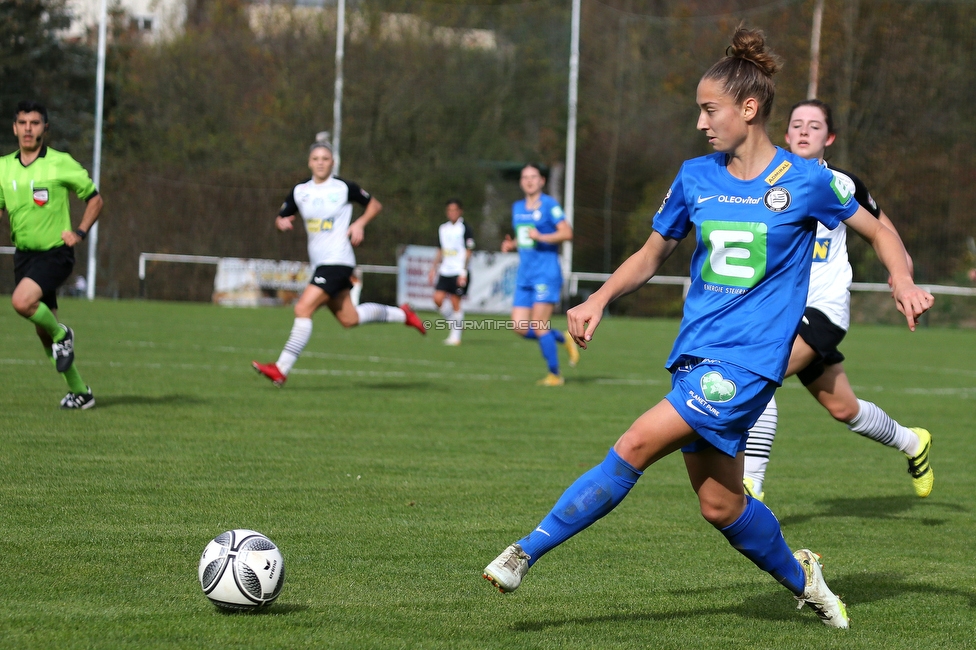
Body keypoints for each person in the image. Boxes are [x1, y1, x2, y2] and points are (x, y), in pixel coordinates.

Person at [482, 27, 934, 629]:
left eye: (709, 108)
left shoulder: (805, 181)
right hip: (696, 352)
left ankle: (523, 553)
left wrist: (901, 279)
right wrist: (599, 298)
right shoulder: (695, 176)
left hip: (748, 363)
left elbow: (880, 230)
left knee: (635, 444)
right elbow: (650, 254)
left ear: (748, 109)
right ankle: (807, 581)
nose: (700, 121)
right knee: (721, 505)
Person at [742, 100, 932, 502]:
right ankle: (913, 442)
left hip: (822, 310)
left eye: (815, 126)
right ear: (786, 134)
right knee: (845, 409)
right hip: (777, 312)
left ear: (828, 137)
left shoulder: (843, 184)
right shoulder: (763, 182)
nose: (805, 131)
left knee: (757, 372)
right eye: (797, 125)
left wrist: (904, 281)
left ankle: (750, 488)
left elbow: (885, 234)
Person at [252, 139, 426, 387]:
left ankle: (281, 369)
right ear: (309, 162)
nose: (320, 163)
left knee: (302, 309)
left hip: (338, 261)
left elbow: (375, 205)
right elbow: (282, 217)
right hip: (321, 264)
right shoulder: (300, 191)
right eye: (316, 159)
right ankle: (404, 314)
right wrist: (281, 223)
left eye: (325, 159)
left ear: (332, 162)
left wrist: (359, 223)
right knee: (349, 319)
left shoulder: (344, 187)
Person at [0, 101, 103, 409]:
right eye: (23, 122)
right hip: (25, 256)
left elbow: (95, 199)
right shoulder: (3, 167)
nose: (28, 128)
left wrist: (80, 232)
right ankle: (81, 392)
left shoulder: (60, 163)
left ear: (45, 127)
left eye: (34, 123)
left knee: (22, 302)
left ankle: (64, 334)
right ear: (15, 127)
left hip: (56, 254)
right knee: (43, 332)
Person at [500, 164, 579, 385]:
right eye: (525, 177)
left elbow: (567, 232)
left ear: (542, 180)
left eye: (533, 177)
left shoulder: (550, 205)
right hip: (525, 275)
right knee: (518, 327)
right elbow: (526, 237)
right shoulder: (517, 207)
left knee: (539, 324)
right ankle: (563, 338)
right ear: (520, 182)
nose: (529, 181)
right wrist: (512, 244)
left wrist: (541, 237)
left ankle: (555, 375)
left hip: (546, 273)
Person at [427, 198, 474, 346]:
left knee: (455, 302)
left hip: (458, 271)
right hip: (445, 270)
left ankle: (455, 337)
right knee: (437, 299)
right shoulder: (443, 228)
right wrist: (433, 268)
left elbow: (468, 251)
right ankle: (457, 325)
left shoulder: (465, 228)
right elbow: (440, 250)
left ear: (460, 211)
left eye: (455, 210)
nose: (452, 213)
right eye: (449, 210)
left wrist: (463, 272)